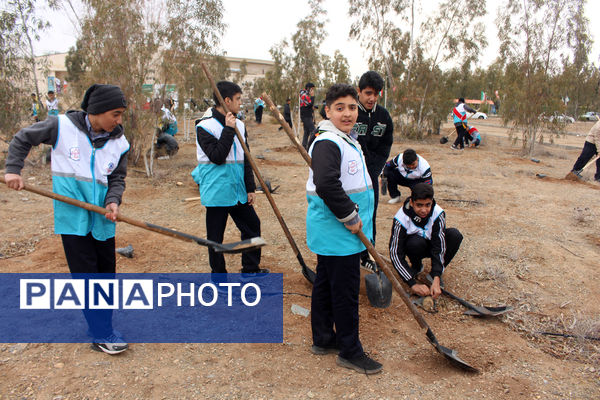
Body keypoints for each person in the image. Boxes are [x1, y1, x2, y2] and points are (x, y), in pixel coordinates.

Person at [5, 84, 130, 354]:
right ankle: (102, 333)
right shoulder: (61, 126)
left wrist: (113, 200)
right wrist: (14, 170)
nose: (119, 120)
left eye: (121, 115)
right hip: (73, 219)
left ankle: (99, 324)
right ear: (96, 111)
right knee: (87, 277)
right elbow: (23, 137)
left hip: (103, 219)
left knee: (106, 275)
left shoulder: (119, 141)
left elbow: (117, 178)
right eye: (115, 114)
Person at [307, 83, 382, 375]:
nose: (348, 113)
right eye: (340, 108)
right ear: (328, 111)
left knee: (325, 284)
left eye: (352, 107)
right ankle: (350, 351)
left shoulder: (345, 138)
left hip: (335, 233)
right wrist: (349, 216)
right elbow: (326, 184)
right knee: (345, 292)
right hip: (339, 231)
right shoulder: (328, 142)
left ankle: (324, 338)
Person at [191, 81, 268, 277]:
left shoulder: (240, 124)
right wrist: (228, 129)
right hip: (217, 191)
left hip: (238, 190)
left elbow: (246, 157)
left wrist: (251, 188)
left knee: (252, 226)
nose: (240, 103)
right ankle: (219, 277)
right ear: (227, 100)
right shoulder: (204, 126)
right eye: (238, 99)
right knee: (215, 238)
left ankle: (250, 269)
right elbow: (217, 157)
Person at [389, 183, 463, 300]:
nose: (424, 210)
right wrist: (412, 283)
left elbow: (439, 246)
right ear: (412, 203)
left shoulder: (438, 213)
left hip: (432, 245)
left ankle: (433, 276)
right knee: (414, 243)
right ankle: (417, 267)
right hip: (416, 246)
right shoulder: (401, 218)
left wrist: (437, 275)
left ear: (432, 202)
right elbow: (395, 253)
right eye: (419, 205)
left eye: (427, 205)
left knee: (455, 235)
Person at [354, 71, 394, 272]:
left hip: (371, 177)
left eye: (376, 94)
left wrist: (374, 169)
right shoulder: (351, 113)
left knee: (370, 215)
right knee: (350, 216)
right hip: (351, 179)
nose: (372, 98)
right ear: (359, 91)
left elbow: (386, 145)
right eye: (368, 93)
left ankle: (368, 254)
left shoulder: (383, 116)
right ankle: (351, 255)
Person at [300, 82, 317, 149]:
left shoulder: (305, 95)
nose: (313, 91)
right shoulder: (304, 95)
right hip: (306, 116)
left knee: (306, 132)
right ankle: (311, 146)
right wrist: (313, 96)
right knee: (314, 131)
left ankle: (304, 147)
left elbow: (308, 105)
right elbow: (310, 104)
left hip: (307, 115)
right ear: (308, 88)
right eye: (312, 89)